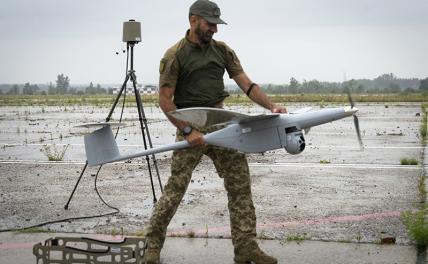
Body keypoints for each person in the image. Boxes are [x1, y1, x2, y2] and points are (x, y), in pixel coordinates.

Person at [143, 0, 287, 263]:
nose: (215, 30)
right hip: (189, 124)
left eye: (216, 25)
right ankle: (152, 246)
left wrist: (272, 105)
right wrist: (187, 130)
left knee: (240, 184)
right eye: (210, 24)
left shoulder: (222, 51)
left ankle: (245, 249)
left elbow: (247, 84)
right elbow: (165, 100)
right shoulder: (175, 55)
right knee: (175, 189)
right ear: (193, 20)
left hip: (222, 123)